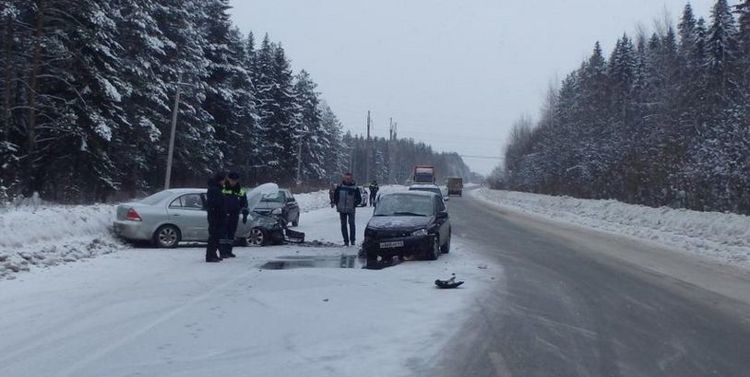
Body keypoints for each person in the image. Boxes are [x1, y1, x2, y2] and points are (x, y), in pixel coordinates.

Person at [219, 171, 249, 258]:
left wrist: (245, 214)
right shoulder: (223, 189)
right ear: (228, 179)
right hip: (224, 215)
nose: (233, 182)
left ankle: (229, 250)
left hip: (234, 215)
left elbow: (244, 204)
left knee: (231, 233)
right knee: (223, 235)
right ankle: (222, 251)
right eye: (232, 180)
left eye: (235, 180)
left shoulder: (241, 191)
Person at [333, 172, 362, 246]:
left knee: (351, 224)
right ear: (344, 178)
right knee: (343, 225)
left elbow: (359, 199)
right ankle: (346, 241)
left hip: (351, 209)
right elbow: (335, 196)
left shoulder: (355, 188)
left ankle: (352, 240)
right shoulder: (339, 187)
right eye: (346, 178)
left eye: (349, 178)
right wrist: (337, 203)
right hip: (341, 209)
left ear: (351, 178)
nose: (347, 180)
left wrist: (354, 204)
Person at [204, 172, 227, 263]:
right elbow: (215, 203)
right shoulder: (214, 190)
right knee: (214, 236)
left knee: (216, 236)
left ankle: (213, 254)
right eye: (223, 180)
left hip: (217, 215)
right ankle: (210, 255)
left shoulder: (217, 189)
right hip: (215, 216)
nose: (224, 182)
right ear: (219, 180)